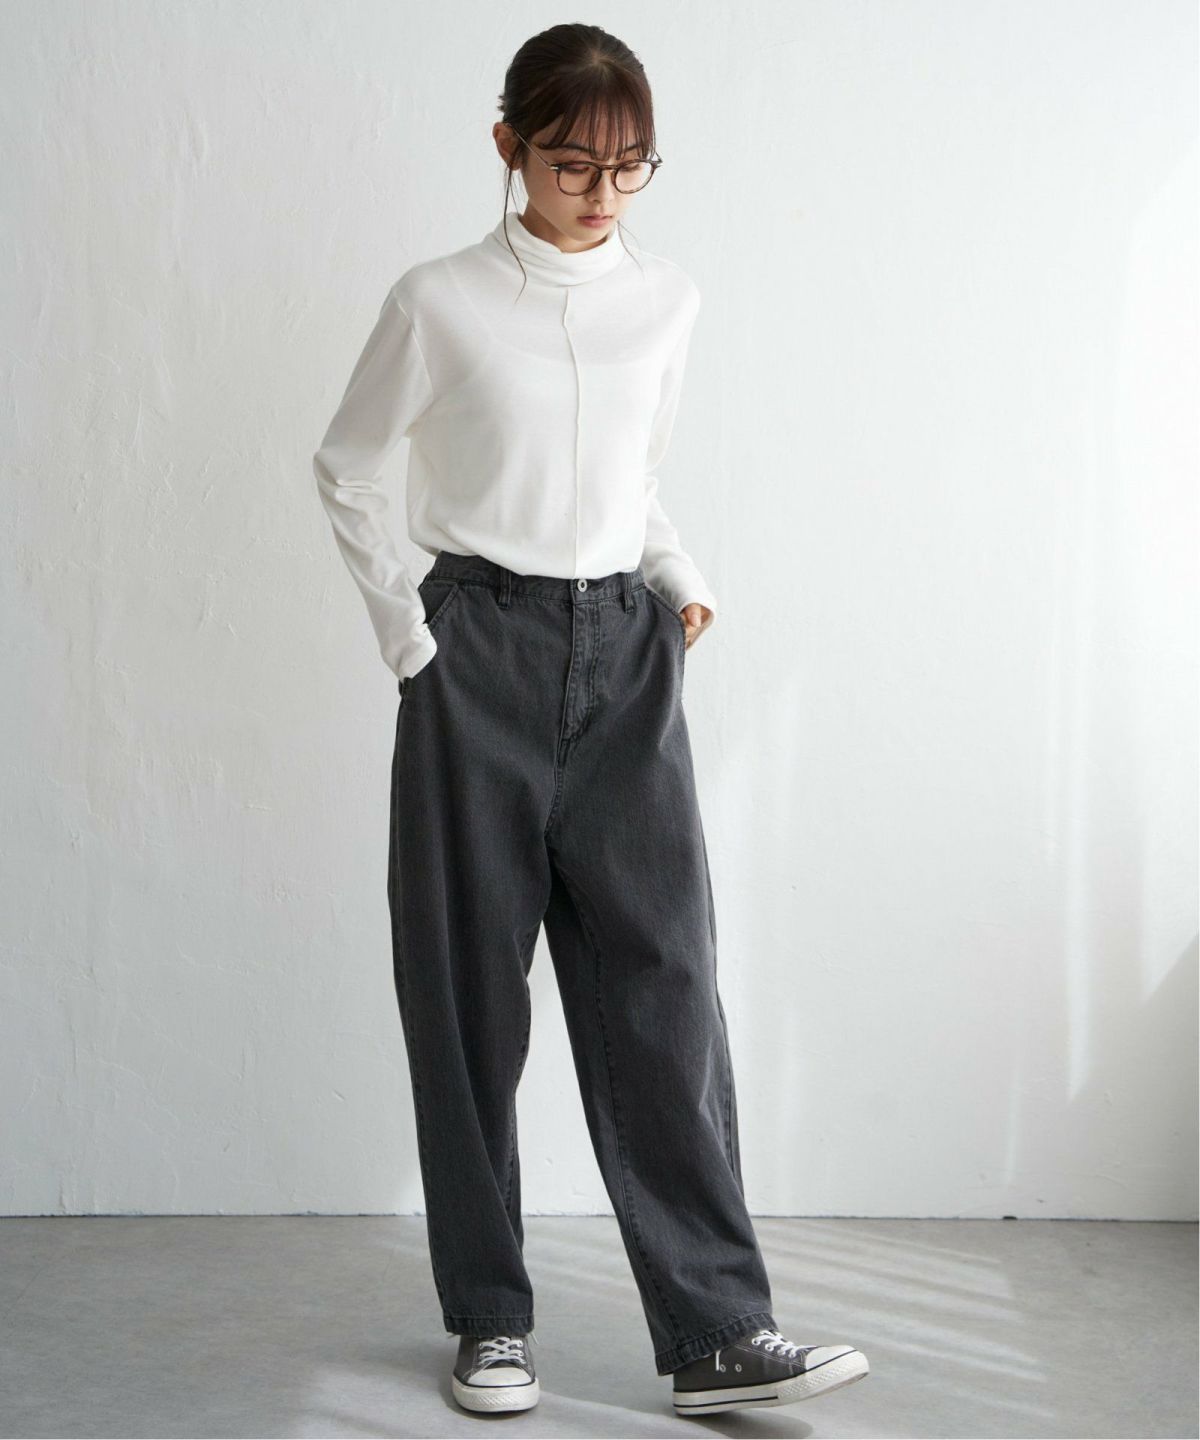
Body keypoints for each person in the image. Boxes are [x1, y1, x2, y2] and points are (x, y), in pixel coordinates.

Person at [312, 21, 870, 1419]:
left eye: (630, 168)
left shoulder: (666, 302)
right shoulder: (437, 301)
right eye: (572, 164)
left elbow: (633, 478)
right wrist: (410, 640)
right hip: (477, 653)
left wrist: (680, 577)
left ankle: (718, 1330)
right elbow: (346, 465)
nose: (601, 194)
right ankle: (490, 1321)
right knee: (468, 1001)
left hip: (625, 654)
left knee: (665, 990)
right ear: (509, 147)